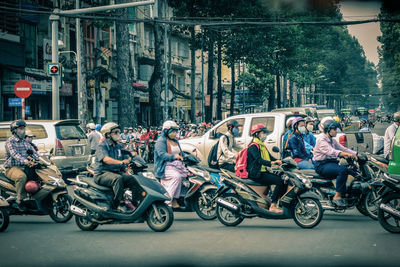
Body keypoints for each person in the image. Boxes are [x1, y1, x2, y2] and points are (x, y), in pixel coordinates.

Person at [93, 122, 137, 212]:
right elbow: (106, 159)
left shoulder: (118, 146)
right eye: (116, 132)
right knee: (118, 179)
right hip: (102, 174)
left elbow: (126, 155)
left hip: (115, 172)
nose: (118, 134)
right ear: (108, 135)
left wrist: (131, 157)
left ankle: (135, 202)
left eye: (118, 132)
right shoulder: (102, 145)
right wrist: (121, 162)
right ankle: (119, 204)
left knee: (133, 179)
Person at [313, 121, 358, 207]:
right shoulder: (321, 139)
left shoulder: (332, 140)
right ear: (328, 130)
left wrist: (356, 154)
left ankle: (347, 194)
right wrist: (346, 154)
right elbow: (331, 152)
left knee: (353, 172)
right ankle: (337, 196)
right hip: (321, 165)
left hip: (330, 163)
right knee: (342, 170)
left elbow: (343, 148)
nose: (336, 131)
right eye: (334, 129)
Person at [246, 124, 286, 213]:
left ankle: (280, 202)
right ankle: (273, 205)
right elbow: (259, 160)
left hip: (263, 171)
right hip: (256, 174)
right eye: (263, 132)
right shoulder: (253, 146)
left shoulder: (261, 145)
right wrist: (271, 163)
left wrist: (281, 161)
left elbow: (270, 157)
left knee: (282, 178)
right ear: (257, 134)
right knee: (279, 181)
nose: (265, 135)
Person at [4, 120, 39, 210]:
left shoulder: (25, 142)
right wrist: (25, 161)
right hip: (12, 168)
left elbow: (34, 153)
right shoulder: (10, 141)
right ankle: (20, 200)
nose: (23, 130)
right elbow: (14, 154)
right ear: (14, 130)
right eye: (20, 128)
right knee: (21, 177)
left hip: (25, 167)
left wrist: (41, 159)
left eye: (24, 128)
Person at [154, 120, 187, 208]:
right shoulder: (160, 141)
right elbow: (162, 155)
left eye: (175, 131)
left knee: (186, 176)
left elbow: (181, 153)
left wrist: (188, 157)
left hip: (177, 165)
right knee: (176, 177)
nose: (174, 133)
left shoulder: (176, 141)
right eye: (172, 131)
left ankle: (177, 199)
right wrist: (174, 157)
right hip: (165, 166)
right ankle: (167, 201)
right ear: (166, 131)